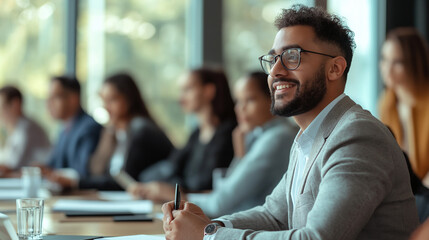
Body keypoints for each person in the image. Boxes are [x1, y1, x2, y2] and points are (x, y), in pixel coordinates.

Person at [161, 5, 419, 240]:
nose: (275, 71)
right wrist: (208, 225)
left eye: (292, 56)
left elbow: (317, 238)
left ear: (335, 69)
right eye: (273, 59)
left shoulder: (357, 135)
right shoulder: (307, 137)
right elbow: (274, 215)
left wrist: (208, 236)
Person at [180, 71, 298, 218]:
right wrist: (240, 155)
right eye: (238, 101)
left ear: (272, 99)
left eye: (249, 100)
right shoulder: (259, 135)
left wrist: (178, 199)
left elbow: (220, 204)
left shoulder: (277, 138)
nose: (240, 108)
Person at [128, 67, 237, 202]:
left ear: (209, 91)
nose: (181, 98)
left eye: (187, 89)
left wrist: (171, 189)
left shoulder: (229, 133)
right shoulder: (196, 134)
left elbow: (206, 183)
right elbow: (171, 167)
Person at [76, 73, 174, 190]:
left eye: (112, 100)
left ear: (128, 99)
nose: (106, 107)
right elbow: (96, 171)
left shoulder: (141, 130)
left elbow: (127, 182)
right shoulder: (114, 132)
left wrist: (77, 183)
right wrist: (107, 141)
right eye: (104, 101)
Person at [378, 27, 429, 184]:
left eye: (397, 62)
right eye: (385, 59)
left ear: (415, 63)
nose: (387, 68)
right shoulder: (386, 103)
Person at [46, 76, 102, 178]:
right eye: (48, 98)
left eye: (55, 97)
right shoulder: (64, 129)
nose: (49, 104)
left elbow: (82, 171)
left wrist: (51, 173)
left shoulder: (89, 128)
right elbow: (53, 165)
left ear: (73, 99)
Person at [0, 86, 50, 173]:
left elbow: (12, 166)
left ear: (15, 104)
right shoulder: (15, 129)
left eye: (2, 107)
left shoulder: (27, 129)